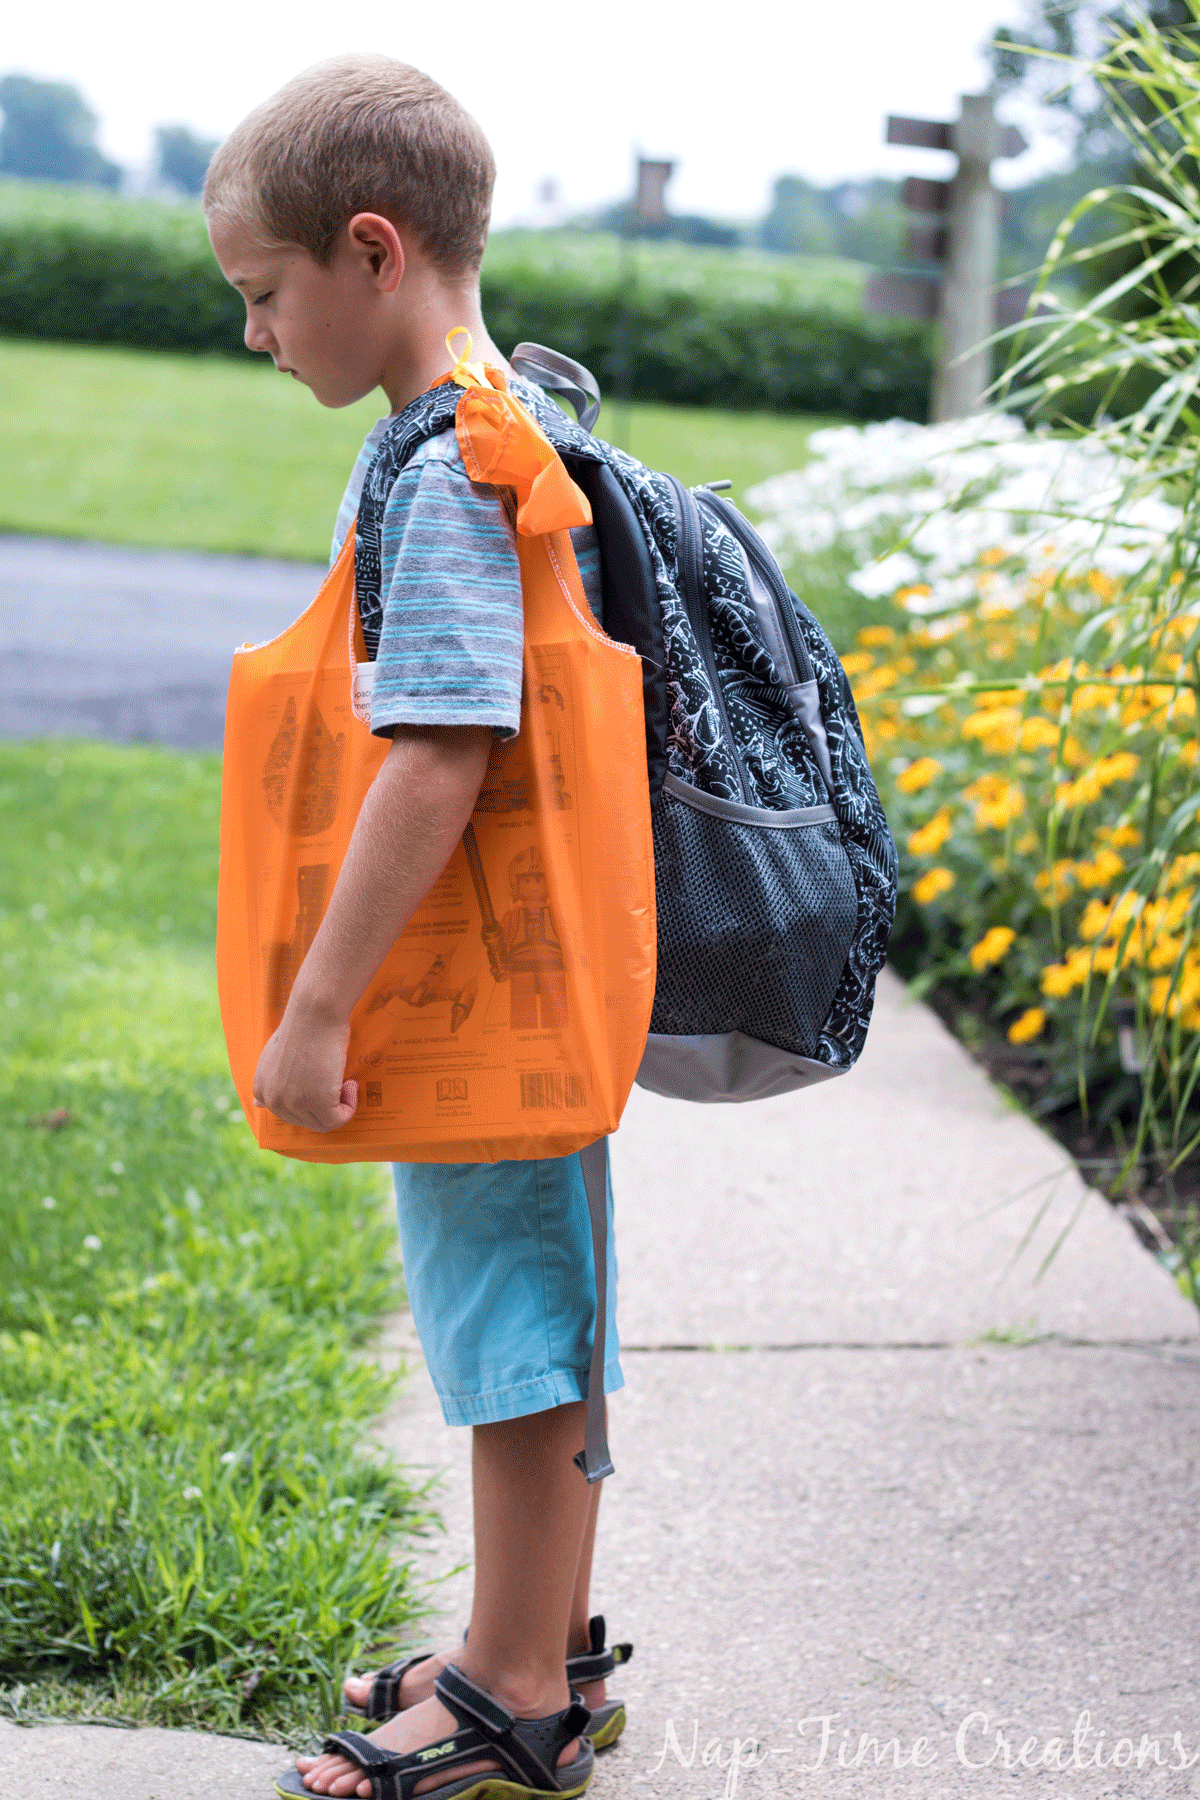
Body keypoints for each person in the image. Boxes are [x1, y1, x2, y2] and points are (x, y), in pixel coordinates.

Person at [203, 53, 627, 1800]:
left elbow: (444, 752)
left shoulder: (452, 464)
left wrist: (317, 1010)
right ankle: (535, 1645)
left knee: (514, 1327)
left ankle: (516, 1695)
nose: (254, 333)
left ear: (372, 250)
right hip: (504, 977)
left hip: (480, 989)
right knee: (526, 1306)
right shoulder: (499, 413)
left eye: (262, 293)